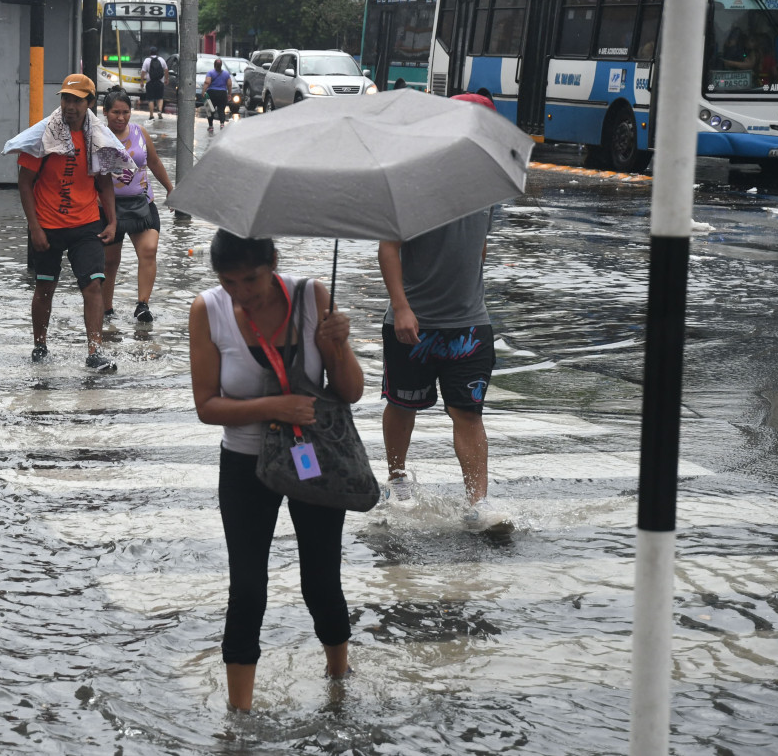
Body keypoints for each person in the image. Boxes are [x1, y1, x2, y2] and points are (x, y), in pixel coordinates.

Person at [187, 230, 364, 711]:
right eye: (229, 281)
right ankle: (239, 713)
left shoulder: (312, 297)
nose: (242, 292)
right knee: (247, 586)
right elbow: (206, 406)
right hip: (245, 463)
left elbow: (350, 392)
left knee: (321, 579)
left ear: (274, 264)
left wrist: (339, 346)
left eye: (252, 279)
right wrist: (276, 406)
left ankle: (338, 679)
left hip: (314, 460)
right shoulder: (208, 309)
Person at [377, 92, 508, 532]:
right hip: (412, 321)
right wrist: (401, 307)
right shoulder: (413, 176)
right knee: (402, 404)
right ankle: (397, 481)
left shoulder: (489, 183)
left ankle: (478, 503)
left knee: (469, 413)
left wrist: (470, 290)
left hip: (469, 322)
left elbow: (481, 244)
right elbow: (389, 246)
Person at [16, 74, 119, 371]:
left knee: (93, 286)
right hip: (47, 226)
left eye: (77, 100)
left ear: (90, 102)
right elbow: (25, 183)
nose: (70, 106)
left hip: (86, 225)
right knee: (45, 287)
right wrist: (34, 228)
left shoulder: (98, 138)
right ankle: (40, 345)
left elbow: (105, 183)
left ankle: (95, 351)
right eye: (66, 99)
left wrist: (112, 222)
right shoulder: (42, 136)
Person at [100, 87, 175, 324]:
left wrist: (171, 189)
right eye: (115, 113)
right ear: (105, 113)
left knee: (149, 250)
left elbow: (153, 161)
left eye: (125, 112)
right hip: (109, 208)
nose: (121, 118)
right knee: (110, 261)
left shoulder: (140, 133)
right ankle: (106, 310)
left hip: (142, 202)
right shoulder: (98, 137)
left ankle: (142, 305)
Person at [201, 57, 233, 132]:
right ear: (221, 65)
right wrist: (229, 94)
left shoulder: (210, 73)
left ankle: (211, 126)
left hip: (212, 93)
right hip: (222, 94)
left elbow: (207, 82)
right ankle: (222, 124)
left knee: (210, 110)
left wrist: (203, 91)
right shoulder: (226, 74)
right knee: (221, 110)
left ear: (214, 65)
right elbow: (229, 84)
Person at [141, 46, 168, 121]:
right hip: (160, 82)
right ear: (157, 53)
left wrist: (142, 81)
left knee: (151, 99)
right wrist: (166, 79)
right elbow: (166, 70)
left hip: (150, 82)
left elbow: (143, 71)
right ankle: (159, 111)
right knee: (160, 98)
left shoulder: (147, 60)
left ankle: (151, 115)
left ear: (150, 53)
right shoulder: (161, 60)